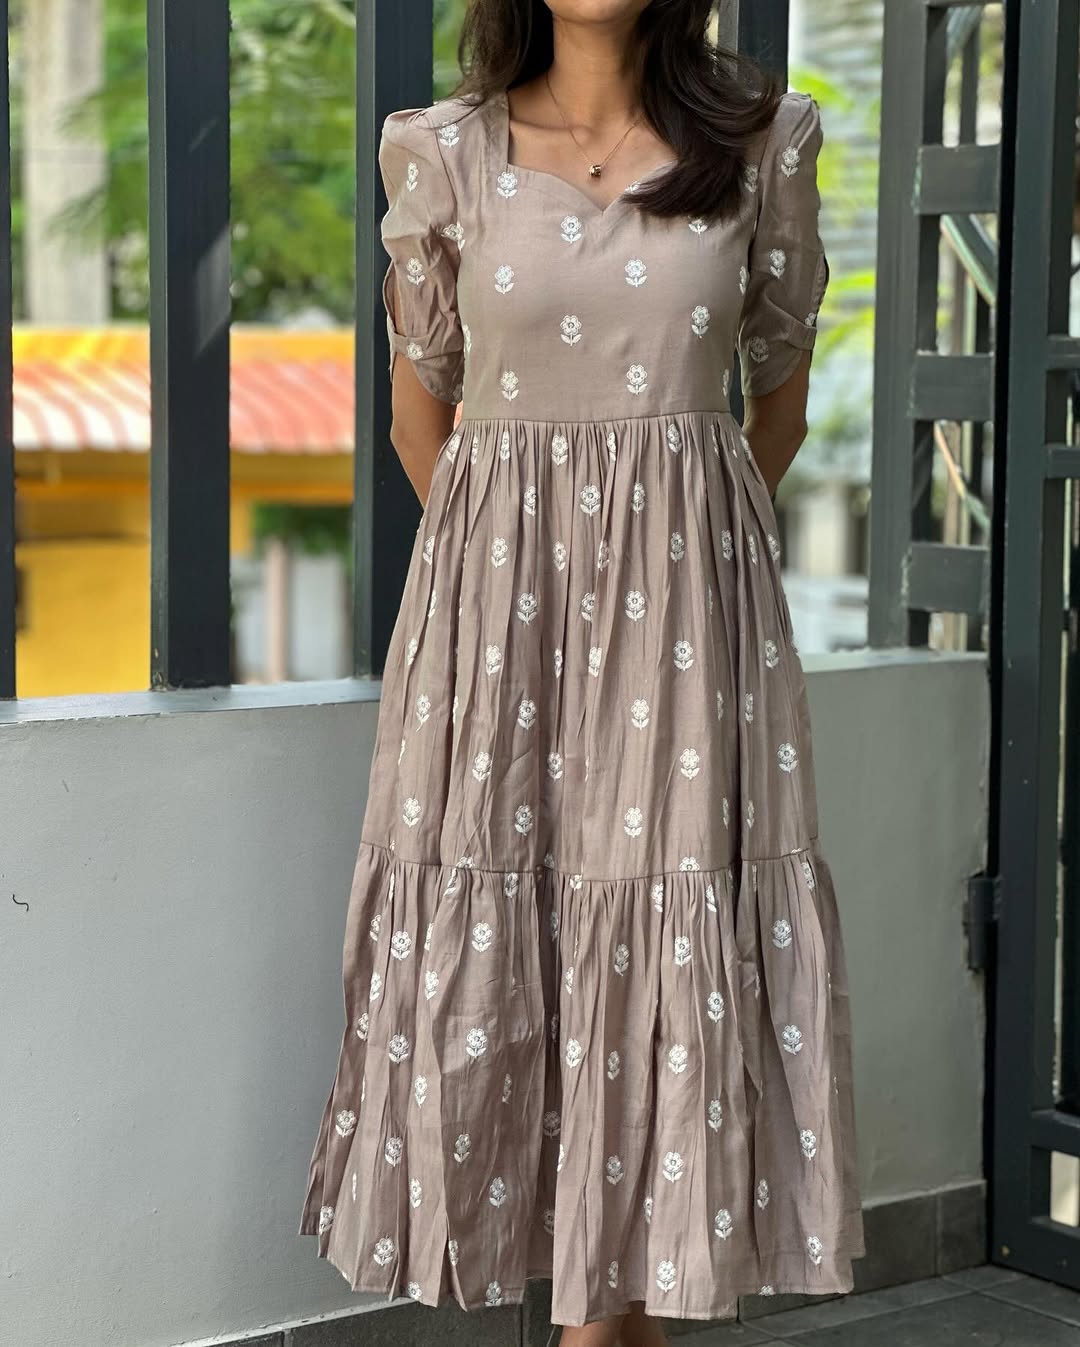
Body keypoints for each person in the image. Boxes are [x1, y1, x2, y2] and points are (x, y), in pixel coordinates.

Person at [298, 2, 866, 1343]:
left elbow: (768, 398)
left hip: (687, 626)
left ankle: (612, 1314)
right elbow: (417, 408)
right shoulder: (439, 151)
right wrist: (516, 575)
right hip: (491, 624)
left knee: (656, 917)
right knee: (520, 930)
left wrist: (668, 555)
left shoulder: (764, 142)